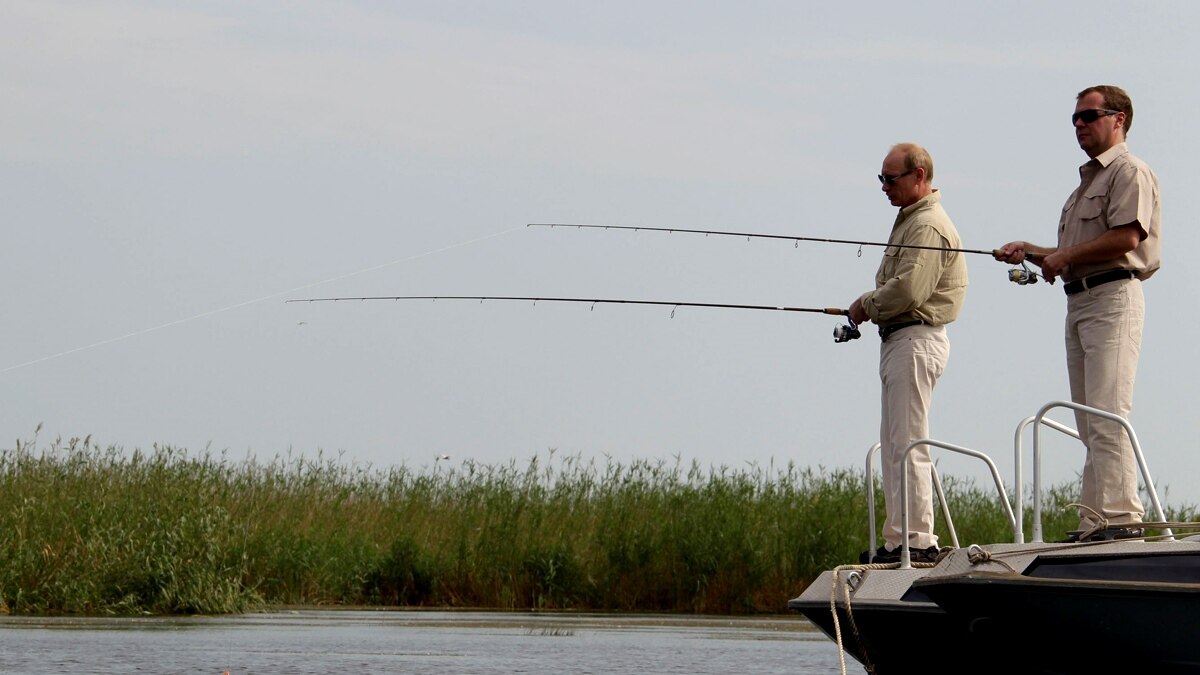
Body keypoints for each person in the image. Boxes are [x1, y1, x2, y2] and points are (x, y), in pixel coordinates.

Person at [995, 85, 1160, 542]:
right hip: (1080, 301)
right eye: (1075, 119)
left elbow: (1126, 238)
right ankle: (1096, 521)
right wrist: (1031, 251)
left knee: (1108, 414)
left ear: (1119, 119)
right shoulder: (1083, 185)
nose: (1079, 125)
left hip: (1113, 299)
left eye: (1089, 116)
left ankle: (1123, 520)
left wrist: (1064, 258)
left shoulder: (1130, 171)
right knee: (1089, 420)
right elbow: (1071, 252)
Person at [850, 143, 968, 564]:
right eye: (880, 179)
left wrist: (866, 304)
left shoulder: (927, 225)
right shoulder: (909, 222)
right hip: (900, 340)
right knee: (895, 441)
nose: (884, 187)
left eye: (891, 178)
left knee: (909, 441)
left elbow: (909, 290)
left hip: (917, 339)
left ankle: (916, 541)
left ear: (919, 176)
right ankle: (898, 539)